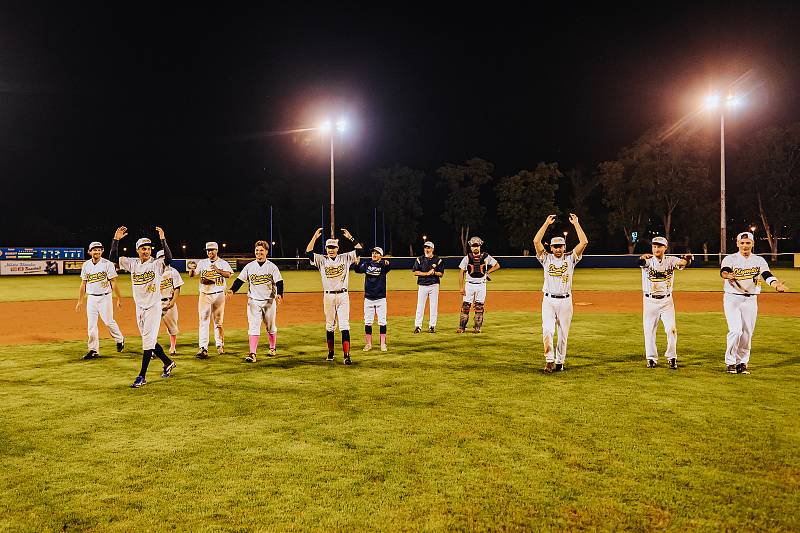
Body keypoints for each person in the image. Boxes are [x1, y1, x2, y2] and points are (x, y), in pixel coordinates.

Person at [110, 226, 176, 388]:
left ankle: (142, 376)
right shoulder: (133, 264)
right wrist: (116, 240)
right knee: (150, 341)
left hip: (153, 307)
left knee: (147, 343)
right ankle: (168, 362)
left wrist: (163, 239)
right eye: (143, 248)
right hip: (139, 308)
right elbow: (113, 259)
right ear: (137, 250)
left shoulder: (157, 264)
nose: (146, 251)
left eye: (148, 248)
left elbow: (169, 259)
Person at [720, 231, 788, 374]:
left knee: (747, 333)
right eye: (742, 242)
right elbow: (724, 271)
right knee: (736, 331)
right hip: (732, 298)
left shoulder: (759, 260)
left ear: (752, 244)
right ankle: (730, 362)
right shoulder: (730, 258)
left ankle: (742, 363)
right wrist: (727, 275)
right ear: (737, 243)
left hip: (751, 299)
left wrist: (776, 284)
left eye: (748, 242)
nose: (745, 245)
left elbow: (766, 274)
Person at [532, 214, 588, 373]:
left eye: (560, 246)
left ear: (564, 247)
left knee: (563, 334)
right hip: (548, 300)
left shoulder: (571, 258)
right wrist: (545, 224)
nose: (557, 249)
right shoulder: (546, 258)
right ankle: (549, 361)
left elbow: (584, 241)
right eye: (555, 246)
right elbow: (536, 241)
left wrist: (576, 223)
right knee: (547, 330)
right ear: (551, 247)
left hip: (565, 301)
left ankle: (560, 361)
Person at [306, 227, 362, 365]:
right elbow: (308, 252)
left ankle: (346, 355)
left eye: (333, 247)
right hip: (328, 297)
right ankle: (330, 353)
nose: (331, 250)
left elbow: (360, 250)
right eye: (329, 247)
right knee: (330, 325)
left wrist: (350, 237)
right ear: (326, 249)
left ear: (338, 248)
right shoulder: (322, 260)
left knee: (344, 325)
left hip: (343, 295)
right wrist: (314, 237)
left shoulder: (345, 258)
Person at [637, 237, 692, 370]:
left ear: (665, 248)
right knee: (649, 331)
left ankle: (672, 357)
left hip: (667, 301)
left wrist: (688, 258)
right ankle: (651, 358)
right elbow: (640, 262)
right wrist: (641, 257)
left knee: (671, 329)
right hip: (650, 301)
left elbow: (683, 263)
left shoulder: (671, 260)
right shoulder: (648, 261)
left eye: (659, 246)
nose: (656, 248)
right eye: (654, 246)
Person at [228, 240, 284, 362]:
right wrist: (232, 290)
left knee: (271, 326)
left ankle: (272, 347)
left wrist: (279, 294)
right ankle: (252, 353)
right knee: (253, 326)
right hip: (253, 301)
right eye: (257, 250)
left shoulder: (272, 267)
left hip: (269, 301)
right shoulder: (249, 266)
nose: (259, 253)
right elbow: (240, 280)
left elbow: (279, 281)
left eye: (261, 251)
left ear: (266, 252)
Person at [75, 241, 124, 359]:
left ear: (102, 251)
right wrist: (80, 301)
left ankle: (119, 339)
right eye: (94, 249)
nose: (97, 251)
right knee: (91, 325)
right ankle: (93, 350)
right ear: (89, 252)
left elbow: (113, 283)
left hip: (105, 297)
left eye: (99, 249)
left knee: (108, 321)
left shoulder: (107, 264)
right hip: (91, 298)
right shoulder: (86, 265)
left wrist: (119, 298)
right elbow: (83, 284)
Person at [189, 241, 233, 358]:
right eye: (208, 250)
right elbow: (192, 275)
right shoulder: (202, 263)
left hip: (219, 295)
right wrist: (192, 269)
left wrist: (218, 271)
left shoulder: (223, 263)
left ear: (217, 250)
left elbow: (229, 274)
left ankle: (219, 344)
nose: (210, 252)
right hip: (205, 295)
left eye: (212, 250)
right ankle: (203, 348)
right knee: (203, 321)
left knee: (218, 322)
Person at [457, 236, 501, 333]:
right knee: (465, 306)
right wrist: (461, 287)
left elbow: (497, 265)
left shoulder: (486, 257)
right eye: (473, 246)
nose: (475, 247)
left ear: (480, 246)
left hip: (481, 284)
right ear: (471, 247)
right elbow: (461, 272)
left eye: (477, 245)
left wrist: (488, 272)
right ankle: (461, 327)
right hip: (469, 284)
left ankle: (477, 328)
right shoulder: (467, 258)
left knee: (479, 307)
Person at [354, 246, 391, 351]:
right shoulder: (367, 264)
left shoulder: (383, 265)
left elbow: (388, 266)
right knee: (368, 322)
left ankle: (383, 344)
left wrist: (387, 263)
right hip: (368, 298)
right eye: (373, 253)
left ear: (381, 255)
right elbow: (357, 270)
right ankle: (368, 344)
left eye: (377, 253)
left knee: (382, 321)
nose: (374, 254)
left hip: (380, 298)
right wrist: (356, 264)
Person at [412, 241, 444, 333]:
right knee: (420, 306)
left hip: (434, 285)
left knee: (434, 307)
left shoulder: (438, 260)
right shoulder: (419, 259)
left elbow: (441, 274)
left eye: (428, 248)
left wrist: (434, 273)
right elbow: (415, 272)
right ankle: (418, 326)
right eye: (425, 247)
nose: (426, 249)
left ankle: (432, 326)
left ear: (432, 249)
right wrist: (426, 273)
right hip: (422, 285)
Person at [157, 249, 184, 356]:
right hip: (155, 303)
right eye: (161, 257)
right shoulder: (153, 272)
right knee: (152, 327)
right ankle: (152, 349)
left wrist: (173, 301)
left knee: (172, 327)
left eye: (165, 257)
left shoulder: (173, 271)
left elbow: (177, 287)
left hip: (169, 301)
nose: (163, 259)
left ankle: (172, 347)